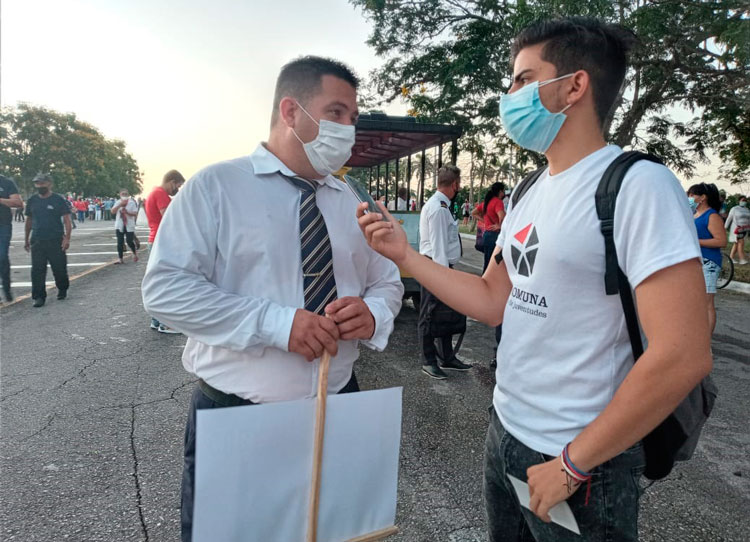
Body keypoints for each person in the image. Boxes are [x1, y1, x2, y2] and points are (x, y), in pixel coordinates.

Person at [357, 17, 711, 542]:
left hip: (582, 462)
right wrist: (406, 257)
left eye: (523, 79)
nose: (510, 95)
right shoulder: (529, 189)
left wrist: (573, 463)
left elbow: (683, 352)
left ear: (574, 86)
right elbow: (491, 300)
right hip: (506, 432)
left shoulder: (638, 186)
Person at [141, 56, 403, 542]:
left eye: (353, 118)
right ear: (291, 111)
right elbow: (165, 289)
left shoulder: (349, 202)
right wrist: (276, 324)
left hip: (339, 407)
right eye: (337, 112)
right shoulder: (215, 188)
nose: (349, 128)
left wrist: (374, 311)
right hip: (239, 418)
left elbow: (387, 281)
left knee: (337, 533)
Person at [417, 164, 472, 379]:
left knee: (444, 314)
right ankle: (428, 360)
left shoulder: (441, 205)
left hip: (440, 267)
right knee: (429, 315)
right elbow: (439, 246)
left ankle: (447, 356)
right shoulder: (439, 208)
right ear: (455, 184)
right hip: (436, 268)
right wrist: (443, 278)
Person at [144, 169, 185, 333]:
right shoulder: (161, 194)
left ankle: (156, 320)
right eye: (178, 186)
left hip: (154, 239)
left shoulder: (153, 192)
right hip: (162, 241)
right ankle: (165, 323)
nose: (178, 190)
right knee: (167, 282)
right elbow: (169, 218)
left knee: (159, 281)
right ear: (172, 182)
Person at [472, 181, 507, 370]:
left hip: (486, 235)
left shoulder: (486, 202)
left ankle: (484, 300)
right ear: (500, 191)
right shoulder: (498, 203)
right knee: (496, 272)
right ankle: (490, 303)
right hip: (495, 237)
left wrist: (485, 223)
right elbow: (505, 220)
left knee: (487, 271)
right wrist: (497, 225)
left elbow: (474, 213)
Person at [24, 173, 72, 307]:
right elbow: (29, 220)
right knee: (37, 270)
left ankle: (62, 288)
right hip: (37, 240)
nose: (40, 186)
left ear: (49, 184)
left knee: (59, 268)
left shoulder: (58, 199)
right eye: (37, 183)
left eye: (42, 183)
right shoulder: (32, 200)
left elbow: (67, 220)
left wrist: (67, 238)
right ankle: (39, 297)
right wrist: (26, 239)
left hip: (55, 239)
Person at [687, 183, 727, 334]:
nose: (689, 198)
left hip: (708, 263)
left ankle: (705, 342)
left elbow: (721, 241)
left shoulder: (712, 216)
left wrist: (695, 241)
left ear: (703, 197)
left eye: (692, 195)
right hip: (695, 262)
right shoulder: (694, 214)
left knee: (706, 303)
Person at [0, 174, 23, 302]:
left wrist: (1, 200)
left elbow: (18, 203)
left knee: (2, 256)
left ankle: (6, 287)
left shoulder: (7, 182)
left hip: (2, 225)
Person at [111, 189, 139, 264]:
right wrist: (120, 205)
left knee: (129, 241)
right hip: (119, 224)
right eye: (122, 194)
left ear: (128, 195)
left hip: (129, 224)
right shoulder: (118, 202)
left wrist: (127, 212)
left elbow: (135, 213)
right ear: (120, 194)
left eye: (126, 194)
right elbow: (113, 211)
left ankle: (134, 252)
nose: (124, 195)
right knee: (120, 242)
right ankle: (120, 258)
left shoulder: (131, 202)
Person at [725, 195, 750, 264]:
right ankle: (742, 259)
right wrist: (725, 227)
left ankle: (731, 258)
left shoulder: (747, 209)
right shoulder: (734, 209)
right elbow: (729, 218)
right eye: (742, 200)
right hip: (737, 229)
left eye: (745, 200)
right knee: (741, 243)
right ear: (739, 201)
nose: (744, 202)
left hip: (744, 229)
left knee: (736, 244)